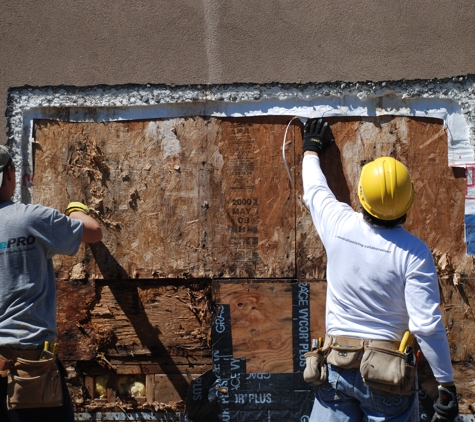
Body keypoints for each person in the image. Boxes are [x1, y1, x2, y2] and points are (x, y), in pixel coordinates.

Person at [301, 119, 459, 422]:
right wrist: (445, 383)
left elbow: (315, 190)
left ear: (361, 196)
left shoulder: (338, 225)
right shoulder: (413, 253)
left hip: (336, 368)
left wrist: (311, 149)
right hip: (387, 378)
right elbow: (426, 326)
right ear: (408, 202)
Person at [0, 145, 103, 421]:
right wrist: (76, 211)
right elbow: (94, 233)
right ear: (9, 173)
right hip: (30, 369)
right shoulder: (30, 218)